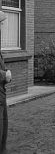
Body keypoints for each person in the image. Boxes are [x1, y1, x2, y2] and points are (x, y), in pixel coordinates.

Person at [0, 11, 12, 154]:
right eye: (2, 23)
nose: (4, 27)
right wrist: (5, 75)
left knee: (4, 126)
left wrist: (7, 72)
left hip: (2, 94)